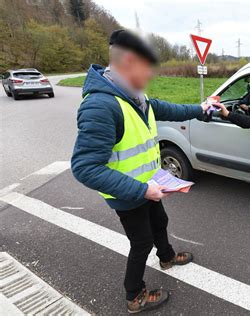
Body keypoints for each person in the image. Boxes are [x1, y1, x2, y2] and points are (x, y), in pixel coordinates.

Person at [71, 29, 210, 314]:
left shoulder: (135, 96)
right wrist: (141, 190)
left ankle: (168, 257)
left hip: (148, 184)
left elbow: (169, 108)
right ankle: (134, 295)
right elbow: (85, 167)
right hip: (128, 192)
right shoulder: (101, 104)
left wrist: (201, 108)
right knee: (142, 241)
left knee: (159, 222)